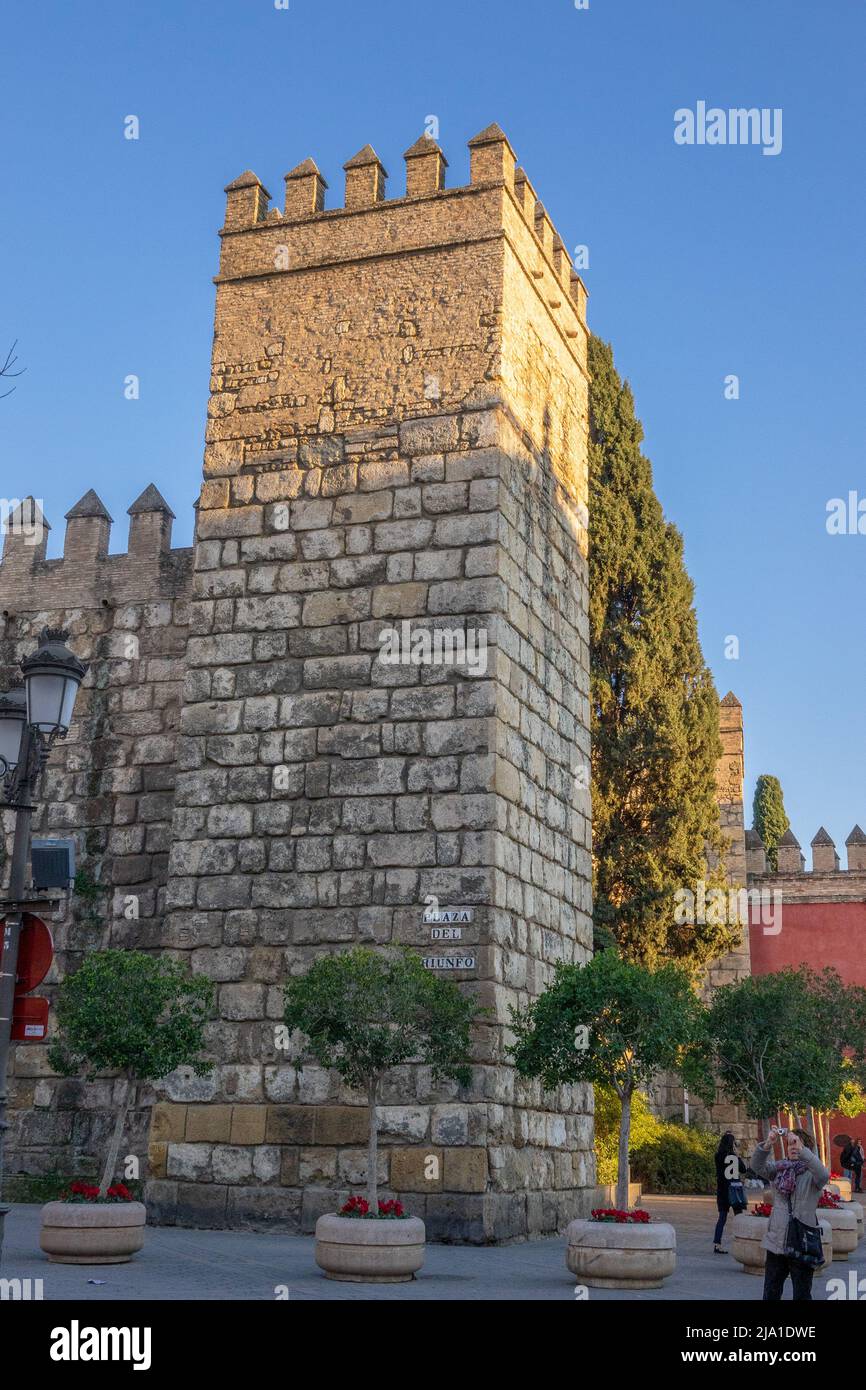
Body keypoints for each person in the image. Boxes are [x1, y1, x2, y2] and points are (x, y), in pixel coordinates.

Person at [751, 1125, 830, 1301]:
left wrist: (802, 1151)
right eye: (790, 1144)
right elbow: (756, 1166)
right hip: (776, 1241)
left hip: (802, 1241)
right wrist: (768, 1143)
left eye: (797, 1144)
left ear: (806, 1148)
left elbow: (824, 1175)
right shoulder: (779, 1169)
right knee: (771, 1293)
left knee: (802, 1294)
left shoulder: (813, 1174)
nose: (793, 1147)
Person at [713, 1131, 747, 1252]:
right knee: (739, 1216)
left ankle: (717, 1244)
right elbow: (743, 1170)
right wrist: (737, 1156)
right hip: (734, 1189)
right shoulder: (734, 1157)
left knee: (722, 1217)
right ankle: (743, 1241)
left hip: (723, 1189)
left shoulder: (718, 1156)